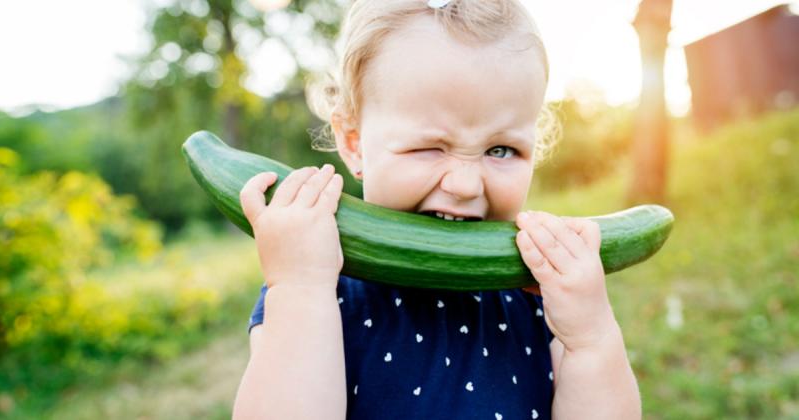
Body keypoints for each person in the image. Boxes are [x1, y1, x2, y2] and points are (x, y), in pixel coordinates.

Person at [232, 0, 641, 418]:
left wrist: (591, 340)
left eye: (501, 150)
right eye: (429, 147)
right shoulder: (316, 285)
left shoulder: (541, 300)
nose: (465, 185)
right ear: (354, 142)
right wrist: (299, 290)